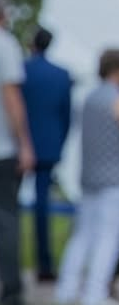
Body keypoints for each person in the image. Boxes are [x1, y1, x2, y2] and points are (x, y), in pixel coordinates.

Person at [54, 49, 119, 305]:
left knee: (82, 235)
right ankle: (95, 295)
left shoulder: (90, 98)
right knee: (109, 237)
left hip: (90, 176)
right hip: (117, 176)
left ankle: (66, 290)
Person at [22, 27, 73, 281]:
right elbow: (67, 116)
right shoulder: (61, 75)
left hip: (19, 143)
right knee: (42, 206)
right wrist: (59, 145)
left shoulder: (22, 70)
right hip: (48, 146)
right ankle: (44, 264)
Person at [0, 0, 34, 305]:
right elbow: (11, 97)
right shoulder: (5, 45)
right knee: (7, 218)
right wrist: (24, 143)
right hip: (2, 148)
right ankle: (11, 291)